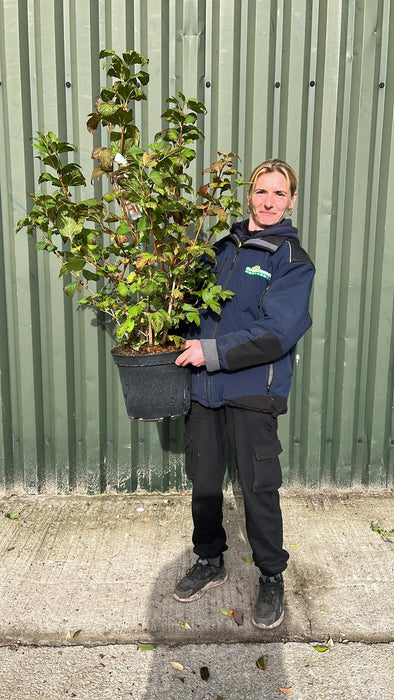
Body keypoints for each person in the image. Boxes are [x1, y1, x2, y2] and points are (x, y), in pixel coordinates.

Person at [173, 158, 315, 629]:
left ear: (291, 201)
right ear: (248, 195)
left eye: (279, 194)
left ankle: (271, 575)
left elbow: (280, 329)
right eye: (261, 192)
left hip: (255, 389)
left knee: (258, 487)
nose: (269, 202)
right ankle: (210, 558)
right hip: (205, 388)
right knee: (206, 482)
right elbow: (186, 311)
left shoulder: (291, 259)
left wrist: (211, 352)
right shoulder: (217, 250)